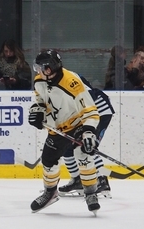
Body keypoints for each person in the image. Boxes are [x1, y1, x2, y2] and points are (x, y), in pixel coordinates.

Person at [28, 50, 101, 214]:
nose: (38, 71)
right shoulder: (39, 80)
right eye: (37, 68)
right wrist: (37, 112)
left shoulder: (72, 82)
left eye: (42, 67)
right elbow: (40, 100)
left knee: (84, 155)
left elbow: (90, 110)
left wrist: (88, 133)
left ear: (51, 68)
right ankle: (50, 193)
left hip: (78, 124)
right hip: (58, 128)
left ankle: (90, 193)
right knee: (48, 161)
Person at [57, 75, 115, 198]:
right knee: (66, 146)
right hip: (80, 116)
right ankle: (77, 180)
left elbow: (88, 99)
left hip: (99, 112)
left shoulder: (69, 78)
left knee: (88, 145)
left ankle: (102, 180)